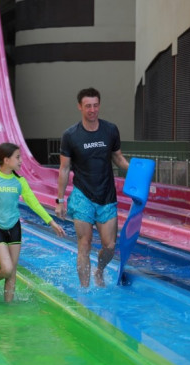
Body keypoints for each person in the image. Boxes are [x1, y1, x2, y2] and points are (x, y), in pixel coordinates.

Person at [56, 87, 129, 288]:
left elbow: (118, 158)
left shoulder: (110, 130)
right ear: (80, 107)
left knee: (110, 246)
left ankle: (99, 271)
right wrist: (60, 200)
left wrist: (137, 173)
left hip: (106, 195)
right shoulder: (70, 135)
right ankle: (85, 290)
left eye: (95, 105)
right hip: (82, 196)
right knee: (84, 245)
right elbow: (64, 169)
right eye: (88, 106)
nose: (92, 110)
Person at [0, 143, 65, 302]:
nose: (21, 161)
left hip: (14, 227)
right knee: (6, 268)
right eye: (17, 157)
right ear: (6, 160)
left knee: (11, 273)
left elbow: (34, 203)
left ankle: (8, 309)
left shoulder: (20, 181)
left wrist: (51, 222)